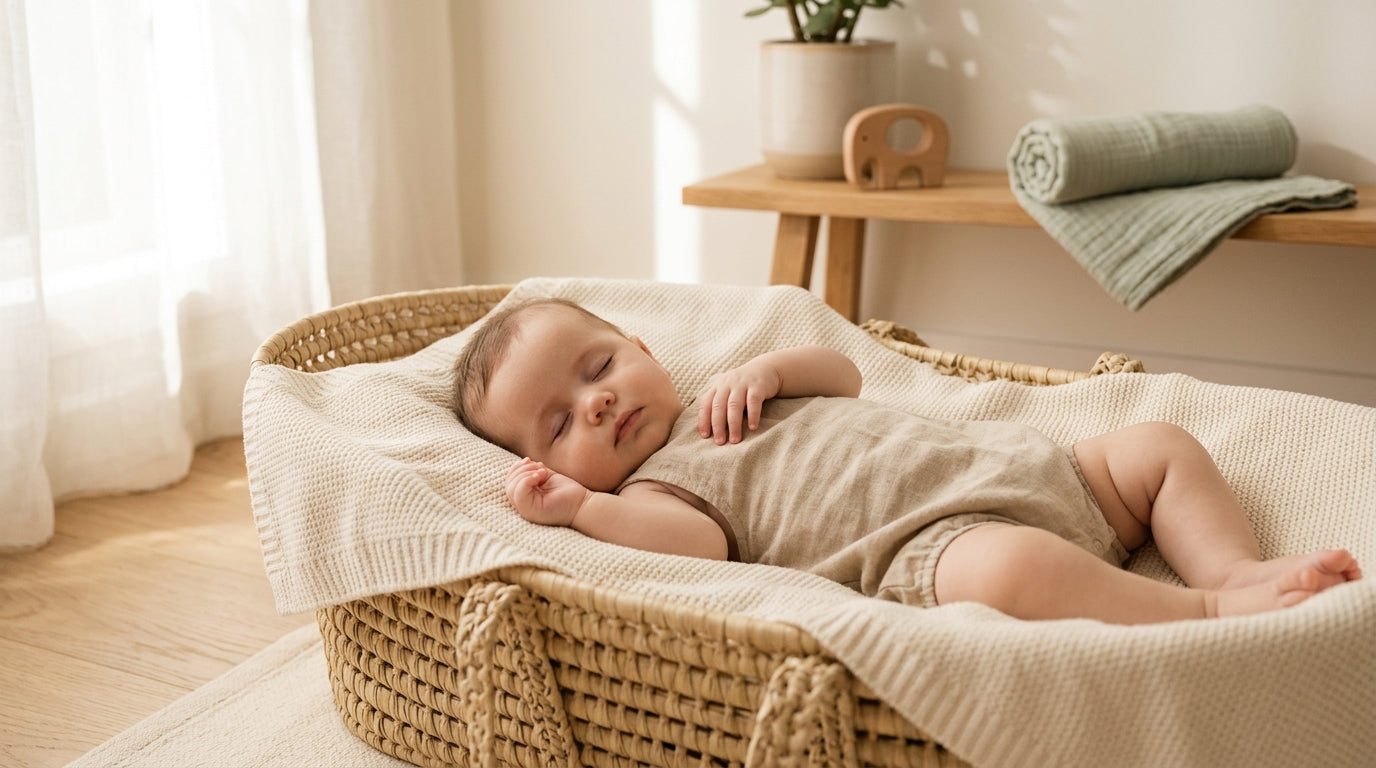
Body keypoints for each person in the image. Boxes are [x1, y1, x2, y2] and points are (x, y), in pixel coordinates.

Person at [454, 297, 1361, 624]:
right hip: (934, 540)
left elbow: (842, 374)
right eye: (560, 422)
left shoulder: (730, 394)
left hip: (1037, 470)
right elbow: (692, 548)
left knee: (1160, 444)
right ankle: (1203, 608)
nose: (599, 402)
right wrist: (577, 510)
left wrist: (770, 367)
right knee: (1014, 571)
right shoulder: (656, 489)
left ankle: (1232, 563)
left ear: (644, 348)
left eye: (600, 367)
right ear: (553, 464)